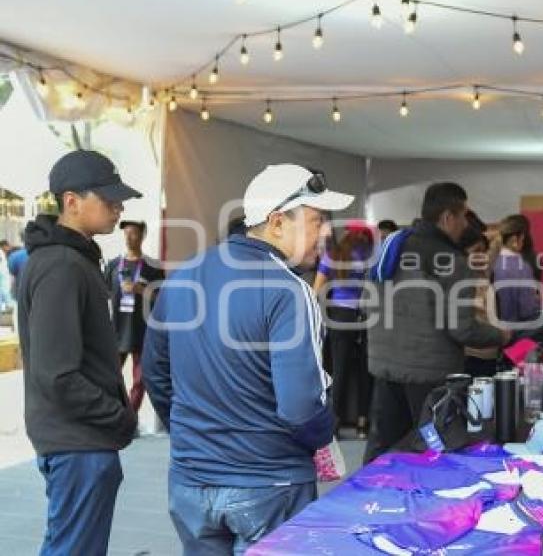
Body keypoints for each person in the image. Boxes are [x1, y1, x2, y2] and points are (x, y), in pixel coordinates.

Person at [142, 164, 352, 555]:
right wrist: (324, 435)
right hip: (268, 485)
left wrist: (197, 435)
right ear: (276, 222)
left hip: (191, 481)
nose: (326, 233)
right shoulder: (290, 291)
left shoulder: (183, 275)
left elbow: (156, 373)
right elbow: (300, 408)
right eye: (317, 220)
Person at [18, 150, 141, 555]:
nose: (119, 208)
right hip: (77, 442)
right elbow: (57, 374)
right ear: (71, 201)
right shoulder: (62, 265)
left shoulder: (71, 260)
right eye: (108, 199)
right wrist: (118, 416)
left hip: (77, 440)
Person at [364, 183, 509, 463]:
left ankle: (363, 502)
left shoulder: (392, 245)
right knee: (432, 452)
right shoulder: (452, 261)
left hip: (385, 365)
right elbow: (462, 328)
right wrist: (501, 335)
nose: (466, 223)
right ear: (447, 217)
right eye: (464, 215)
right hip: (429, 375)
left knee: (382, 448)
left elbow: (367, 299)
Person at [314, 220, 374, 439]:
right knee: (364, 374)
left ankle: (334, 424)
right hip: (363, 317)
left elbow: (317, 289)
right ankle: (362, 423)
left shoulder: (333, 256)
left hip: (339, 317)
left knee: (339, 371)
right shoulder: (367, 258)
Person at [105, 220, 165, 413]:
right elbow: (102, 294)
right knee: (109, 376)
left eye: (134, 233)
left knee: (141, 379)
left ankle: (131, 417)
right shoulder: (113, 265)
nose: (129, 237)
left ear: (142, 236)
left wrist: (142, 290)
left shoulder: (153, 267)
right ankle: (115, 414)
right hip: (116, 331)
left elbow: (162, 299)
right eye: (126, 233)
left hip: (143, 331)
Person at [459, 222, 501, 377]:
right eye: (477, 251)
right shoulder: (459, 281)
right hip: (471, 356)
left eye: (484, 251)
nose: (483, 256)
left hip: (489, 354)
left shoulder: (483, 273)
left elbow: (498, 242)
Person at [493, 214, 542, 323]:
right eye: (523, 238)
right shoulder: (522, 267)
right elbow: (527, 310)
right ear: (515, 239)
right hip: (517, 329)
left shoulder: (491, 263)